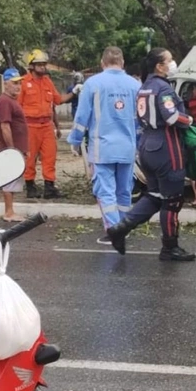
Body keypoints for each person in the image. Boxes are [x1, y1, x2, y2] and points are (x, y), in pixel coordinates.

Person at [107, 47, 196, 261]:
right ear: (159, 66)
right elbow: (172, 117)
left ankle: (120, 228)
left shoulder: (144, 87)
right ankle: (170, 247)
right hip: (166, 147)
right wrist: (190, 120)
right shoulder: (163, 88)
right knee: (172, 200)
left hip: (147, 146)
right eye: (170, 60)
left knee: (155, 196)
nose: (173, 63)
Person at [67, 46, 141, 244]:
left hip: (102, 149)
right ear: (122, 63)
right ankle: (123, 227)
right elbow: (140, 120)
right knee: (124, 191)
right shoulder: (135, 85)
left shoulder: (93, 84)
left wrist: (75, 140)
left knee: (105, 192)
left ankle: (114, 231)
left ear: (102, 63)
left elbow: (82, 116)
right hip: (127, 148)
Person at [18, 49, 75, 199]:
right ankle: (30, 187)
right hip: (30, 126)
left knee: (50, 156)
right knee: (30, 158)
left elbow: (58, 100)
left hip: (46, 126)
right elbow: (17, 107)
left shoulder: (48, 82)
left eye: (44, 64)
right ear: (31, 66)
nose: (43, 67)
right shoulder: (23, 83)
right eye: (39, 64)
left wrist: (74, 92)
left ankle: (49, 188)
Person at [0, 69, 29, 222]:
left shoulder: (11, 101)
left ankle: (10, 210)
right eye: (14, 83)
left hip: (17, 148)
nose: (18, 86)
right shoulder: (5, 101)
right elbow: (5, 126)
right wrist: (11, 149)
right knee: (10, 179)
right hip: (11, 149)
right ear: (6, 84)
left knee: (14, 179)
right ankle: (9, 212)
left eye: (19, 83)